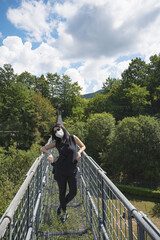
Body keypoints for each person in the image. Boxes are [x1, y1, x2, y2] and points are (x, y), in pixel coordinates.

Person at [40, 123, 86, 223]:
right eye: (55, 131)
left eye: (58, 129)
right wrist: (49, 154)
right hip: (60, 170)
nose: (57, 132)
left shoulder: (73, 138)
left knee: (73, 192)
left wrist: (79, 152)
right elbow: (42, 148)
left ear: (63, 129)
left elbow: (83, 146)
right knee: (62, 191)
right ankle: (64, 213)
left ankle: (61, 205)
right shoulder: (56, 142)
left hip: (72, 170)